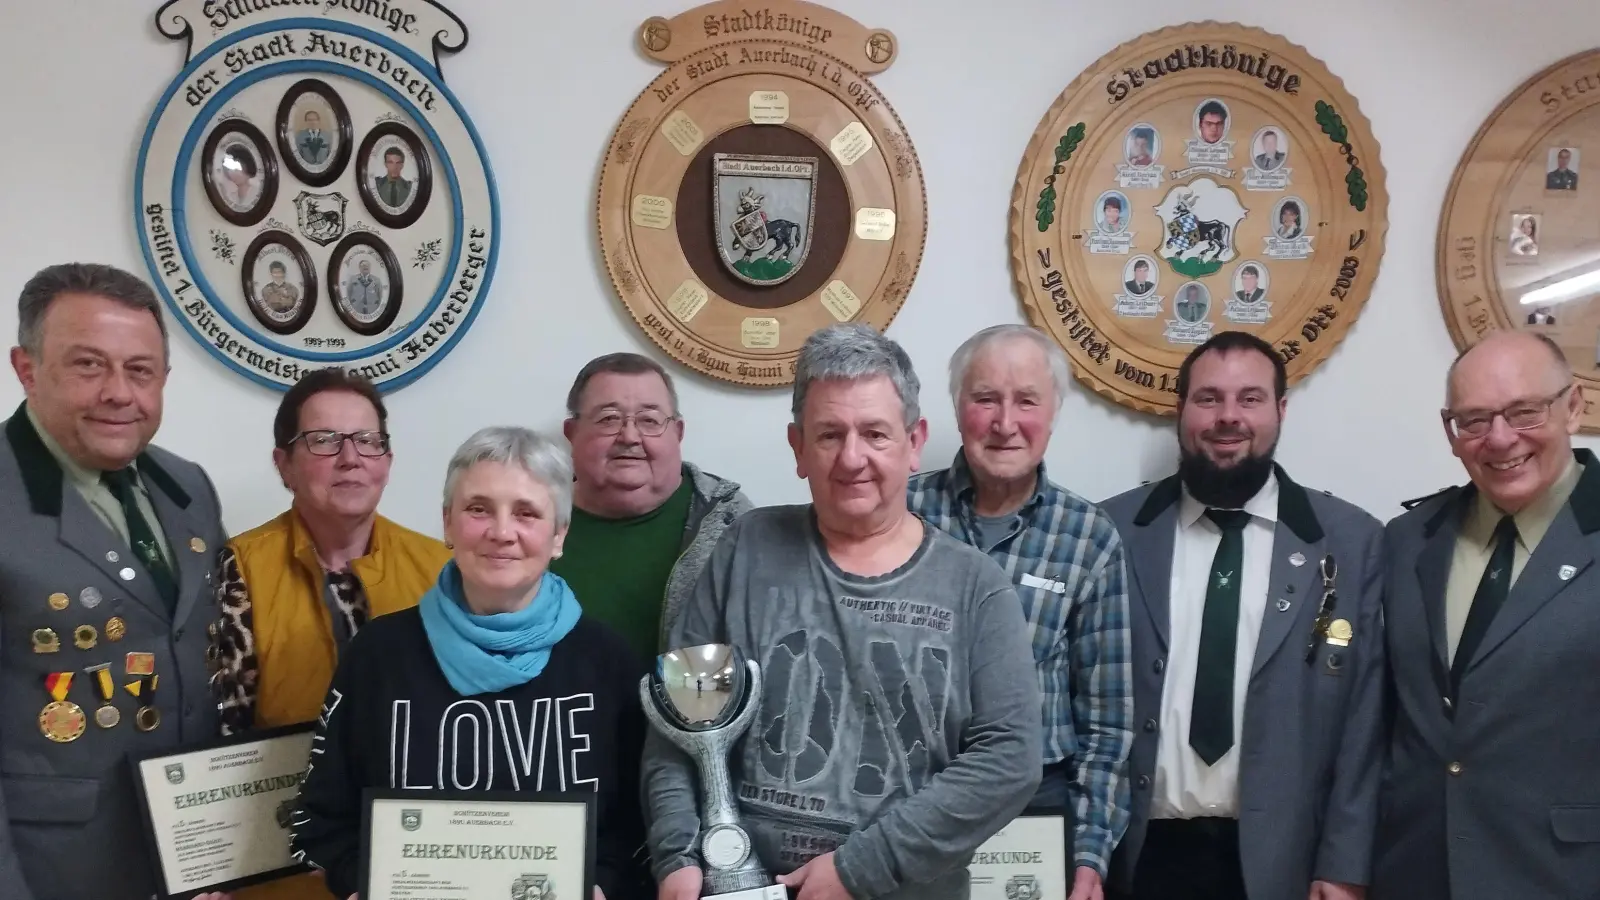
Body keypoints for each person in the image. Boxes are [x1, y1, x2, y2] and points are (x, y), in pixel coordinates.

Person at [646, 323, 1042, 900]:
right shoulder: (745, 551)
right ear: (798, 446)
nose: (852, 458)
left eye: (875, 434)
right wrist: (677, 854)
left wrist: (861, 868)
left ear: (914, 442)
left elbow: (1009, 762)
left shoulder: (976, 588)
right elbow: (680, 717)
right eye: (829, 434)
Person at [288, 426, 651, 900]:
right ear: (447, 523)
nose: (502, 532)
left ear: (559, 535)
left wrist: (603, 884)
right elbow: (319, 821)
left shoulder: (609, 664)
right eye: (478, 509)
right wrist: (362, 884)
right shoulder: (378, 656)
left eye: (527, 512)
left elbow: (642, 825)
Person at [1100, 331, 1384, 900]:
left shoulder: (1351, 543)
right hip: (1137, 857)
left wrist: (1345, 862)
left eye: (1250, 399)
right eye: (1208, 399)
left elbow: (1366, 722)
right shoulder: (1109, 532)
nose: (1228, 417)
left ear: (1280, 410)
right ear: (1179, 410)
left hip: (1286, 861)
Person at [0, 263, 230, 900]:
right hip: (56, 872)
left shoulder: (189, 489)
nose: (119, 393)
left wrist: (220, 849)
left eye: (140, 370)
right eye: (88, 365)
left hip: (188, 864)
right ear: (27, 368)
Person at [907, 325, 1133, 900]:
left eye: (1026, 400)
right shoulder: (900, 509)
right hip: (906, 797)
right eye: (986, 399)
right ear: (959, 410)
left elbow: (1107, 723)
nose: (1005, 423)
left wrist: (1090, 855)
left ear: (1053, 412)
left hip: (1033, 811)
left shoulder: (1089, 538)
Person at [1374, 331, 1599, 900]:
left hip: (1563, 873)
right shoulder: (1408, 541)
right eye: (1473, 420)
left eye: (1524, 412)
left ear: (1573, 407)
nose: (1499, 439)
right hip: (1415, 870)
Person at [213, 368, 449, 900]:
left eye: (368, 441)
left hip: (416, 864)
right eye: (324, 441)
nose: (351, 458)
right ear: (284, 464)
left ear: (387, 460)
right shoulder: (239, 568)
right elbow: (221, 730)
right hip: (277, 861)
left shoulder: (442, 571)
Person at [554, 352, 750, 666]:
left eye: (649, 420)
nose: (630, 436)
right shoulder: (527, 522)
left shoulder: (735, 525)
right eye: (608, 419)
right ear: (571, 432)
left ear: (678, 432)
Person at [218, 144, 260, 210]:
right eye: (229, 169)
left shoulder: (257, 193)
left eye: (237, 169)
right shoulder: (229, 195)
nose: (231, 174)